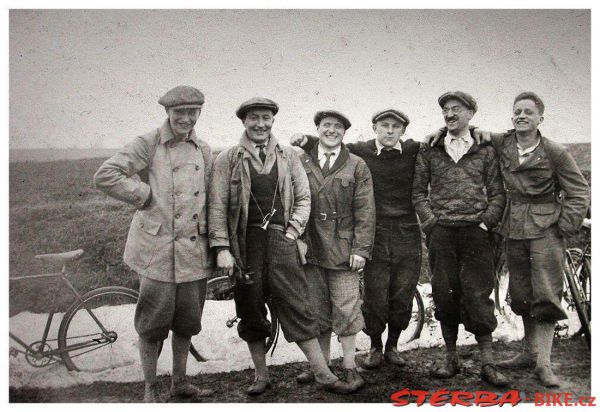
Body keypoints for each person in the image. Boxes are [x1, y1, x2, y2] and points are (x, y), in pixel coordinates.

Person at [208, 97, 355, 396]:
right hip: (245, 244)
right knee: (250, 308)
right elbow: (217, 207)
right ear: (244, 121)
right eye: (254, 118)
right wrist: (222, 247)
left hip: (281, 240)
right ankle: (261, 375)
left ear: (273, 120)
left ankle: (323, 373)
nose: (260, 124)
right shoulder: (227, 159)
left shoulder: (288, 156)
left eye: (266, 118)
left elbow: (303, 199)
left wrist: (292, 231)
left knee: (298, 305)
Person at [94, 86, 214, 402]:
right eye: (179, 113)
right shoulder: (149, 143)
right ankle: (150, 387)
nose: (186, 119)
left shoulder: (203, 149)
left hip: (192, 251)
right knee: (151, 325)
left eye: (192, 112)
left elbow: (211, 198)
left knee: (187, 322)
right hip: (156, 251)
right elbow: (106, 175)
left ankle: (179, 383)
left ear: (199, 113)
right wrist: (143, 195)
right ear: (168, 113)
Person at [464, 92, 589, 387]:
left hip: (546, 229)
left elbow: (579, 190)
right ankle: (528, 353)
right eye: (517, 111)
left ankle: (544, 364)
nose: (521, 116)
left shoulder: (555, 152)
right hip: (515, 226)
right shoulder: (504, 142)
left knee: (545, 294)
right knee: (521, 292)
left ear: (540, 119)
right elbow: (469, 130)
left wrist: (564, 225)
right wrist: (439, 132)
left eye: (528, 112)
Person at [291, 108, 421, 369]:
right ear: (374, 128)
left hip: (407, 231)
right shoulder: (360, 151)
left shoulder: (413, 151)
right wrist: (304, 139)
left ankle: (392, 346)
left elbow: (440, 139)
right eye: (384, 125)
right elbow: (330, 142)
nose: (390, 131)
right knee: (374, 293)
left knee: (402, 292)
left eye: (396, 127)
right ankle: (374, 346)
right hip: (374, 231)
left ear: (404, 131)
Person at [412, 91, 508, 387]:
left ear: (470, 114)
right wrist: (431, 225)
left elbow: (498, 193)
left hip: (476, 234)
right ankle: (451, 358)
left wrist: (484, 224)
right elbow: (417, 192)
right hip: (442, 234)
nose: (450, 114)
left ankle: (487, 363)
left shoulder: (485, 149)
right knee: (444, 292)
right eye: (445, 110)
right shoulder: (430, 148)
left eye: (456, 109)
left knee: (478, 294)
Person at [293, 110, 376, 391]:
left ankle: (350, 366)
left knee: (347, 308)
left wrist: (361, 249)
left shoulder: (356, 165)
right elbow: (291, 201)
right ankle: (322, 366)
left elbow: (365, 210)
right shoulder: (301, 161)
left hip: (344, 249)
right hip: (311, 247)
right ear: (317, 129)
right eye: (326, 125)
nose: (331, 130)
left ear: (344, 132)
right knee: (317, 309)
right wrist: (298, 240)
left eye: (337, 126)